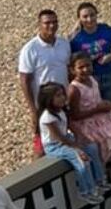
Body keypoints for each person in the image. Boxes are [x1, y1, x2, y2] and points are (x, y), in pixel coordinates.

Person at [18, 10, 72, 149]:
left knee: (65, 135)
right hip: (43, 103)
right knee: (42, 140)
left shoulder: (64, 44)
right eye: (47, 23)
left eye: (54, 22)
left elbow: (69, 70)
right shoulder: (30, 49)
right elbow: (24, 80)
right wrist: (33, 110)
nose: (51, 26)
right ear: (39, 24)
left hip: (63, 99)